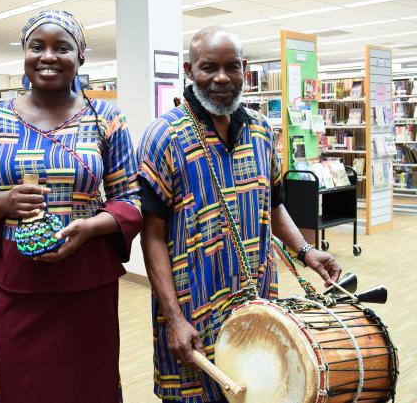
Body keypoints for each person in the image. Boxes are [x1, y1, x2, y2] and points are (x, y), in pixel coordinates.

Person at [137, 27, 342, 403]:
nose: (220, 78)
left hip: (254, 301)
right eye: (207, 67)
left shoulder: (262, 131)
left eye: (231, 67)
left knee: (257, 389)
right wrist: (175, 318)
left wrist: (306, 252)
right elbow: (151, 234)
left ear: (244, 70)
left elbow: (274, 204)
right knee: (193, 394)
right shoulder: (164, 136)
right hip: (191, 306)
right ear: (188, 70)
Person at [0, 10, 142, 403]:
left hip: (87, 279)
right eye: (36, 46)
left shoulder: (106, 118)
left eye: (63, 47)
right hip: (20, 280)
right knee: (24, 383)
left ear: (80, 58)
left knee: (89, 384)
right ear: (23, 53)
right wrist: (1, 202)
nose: (48, 56)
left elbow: (131, 198)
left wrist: (91, 228)